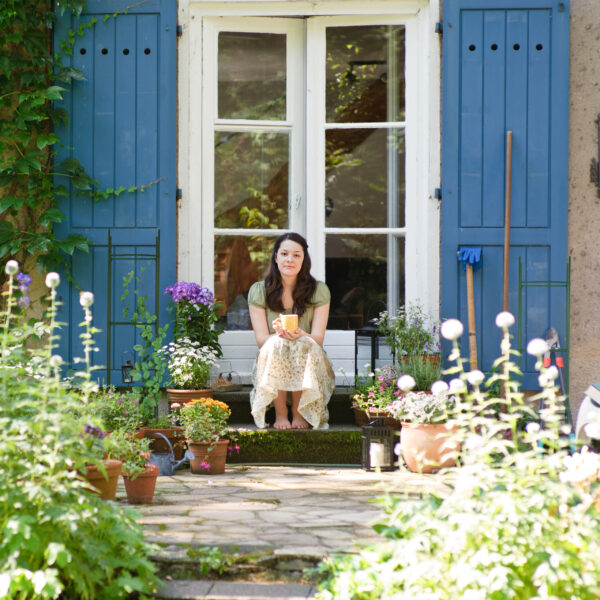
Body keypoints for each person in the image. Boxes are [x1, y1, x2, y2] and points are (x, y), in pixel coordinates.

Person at [248, 233, 335, 429]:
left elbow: (318, 340)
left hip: (310, 357)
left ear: (304, 260)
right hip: (272, 355)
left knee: (300, 343)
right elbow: (261, 340)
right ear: (276, 257)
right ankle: (281, 414)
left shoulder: (319, 290)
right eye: (284, 254)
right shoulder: (259, 291)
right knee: (278, 343)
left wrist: (300, 334)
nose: (290, 259)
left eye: (297, 255)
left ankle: (298, 413)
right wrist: (280, 334)